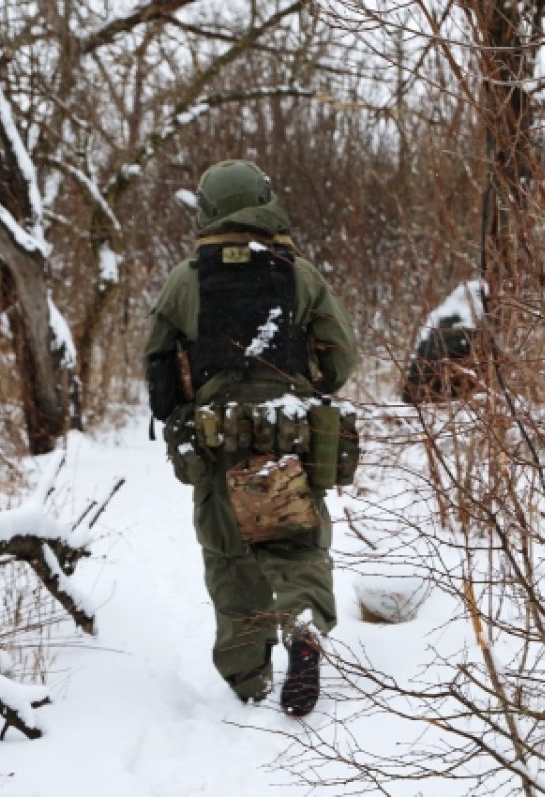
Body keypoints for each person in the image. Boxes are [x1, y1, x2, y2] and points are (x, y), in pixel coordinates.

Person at [144, 159, 357, 716]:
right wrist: (310, 383)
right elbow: (343, 355)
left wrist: (180, 412)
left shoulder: (185, 277)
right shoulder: (297, 272)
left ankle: (248, 680)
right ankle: (303, 628)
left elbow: (158, 363)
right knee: (297, 543)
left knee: (228, 552)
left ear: (210, 210)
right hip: (289, 429)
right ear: (264, 201)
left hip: (217, 438)